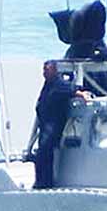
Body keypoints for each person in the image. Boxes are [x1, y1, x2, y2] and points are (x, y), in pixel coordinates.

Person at [32, 61, 87, 189]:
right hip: (45, 124)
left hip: (53, 124)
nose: (45, 73)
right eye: (44, 70)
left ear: (55, 71)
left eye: (47, 70)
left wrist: (82, 94)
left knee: (45, 151)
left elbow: (72, 90)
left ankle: (46, 182)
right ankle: (41, 181)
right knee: (41, 153)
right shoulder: (48, 85)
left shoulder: (59, 84)